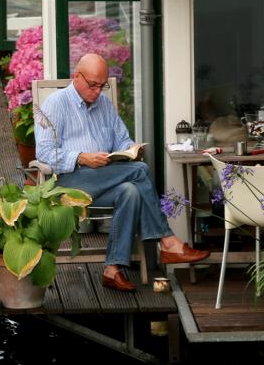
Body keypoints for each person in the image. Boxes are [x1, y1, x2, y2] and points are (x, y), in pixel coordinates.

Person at [33, 53, 209, 292]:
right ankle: (167, 240)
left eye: (102, 85)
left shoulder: (103, 104)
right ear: (77, 77)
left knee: (130, 191)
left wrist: (131, 151)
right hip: (69, 182)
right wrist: (82, 157)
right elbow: (44, 152)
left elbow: (122, 140)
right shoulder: (56, 103)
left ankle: (112, 269)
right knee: (140, 172)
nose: (97, 91)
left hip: (104, 178)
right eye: (92, 85)